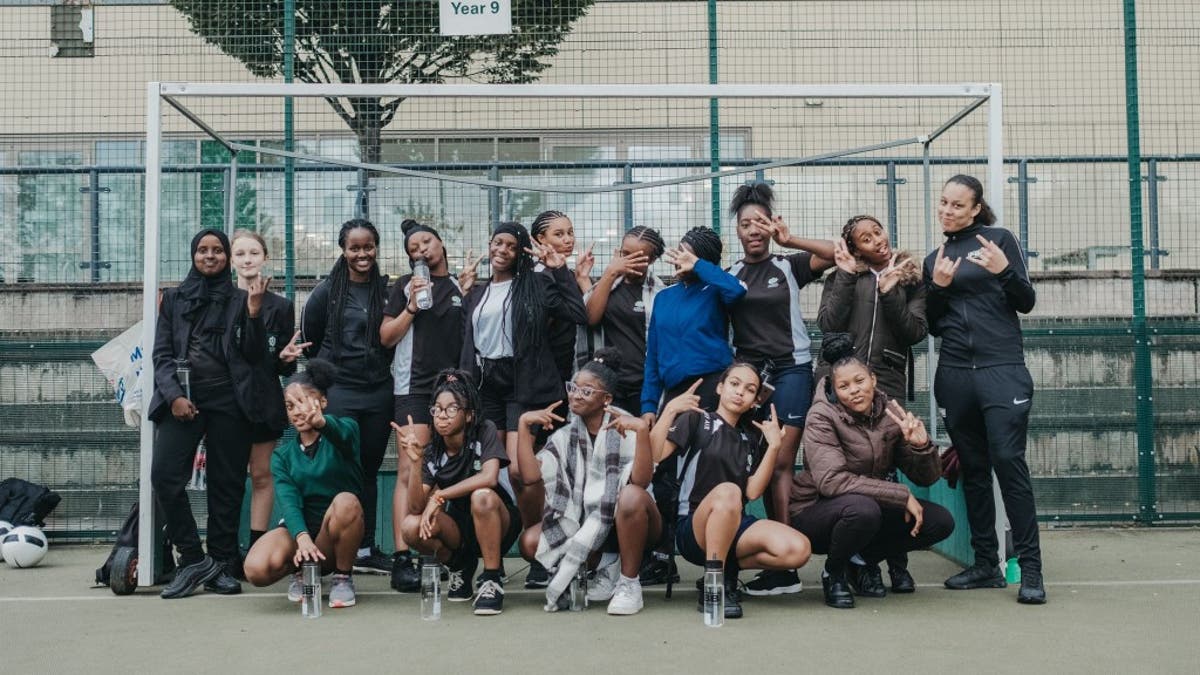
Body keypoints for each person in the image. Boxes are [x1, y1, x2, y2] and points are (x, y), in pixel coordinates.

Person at [923, 174, 1045, 604]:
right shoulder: (934, 258)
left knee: (1009, 462)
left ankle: (1031, 570)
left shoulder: (998, 241)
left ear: (976, 208)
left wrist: (1005, 272)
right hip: (955, 376)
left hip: (1002, 370)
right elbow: (932, 324)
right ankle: (985, 565)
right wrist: (936, 287)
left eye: (958, 205)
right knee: (973, 468)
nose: (948, 211)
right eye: (943, 203)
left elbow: (1026, 301)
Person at [458, 221, 587, 589]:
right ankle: (496, 543)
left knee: (520, 470)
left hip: (524, 381)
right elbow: (470, 337)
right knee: (492, 465)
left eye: (511, 246)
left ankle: (537, 543)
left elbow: (578, 314)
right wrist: (465, 294)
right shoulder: (480, 291)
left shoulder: (535, 283)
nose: (502, 250)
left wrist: (560, 270)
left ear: (520, 254)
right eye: (497, 242)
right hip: (487, 384)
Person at [725, 183, 834, 596]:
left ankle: (786, 563)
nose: (753, 229)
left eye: (761, 222)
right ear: (737, 231)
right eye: (745, 223)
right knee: (752, 465)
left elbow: (836, 251)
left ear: (771, 226)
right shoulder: (731, 273)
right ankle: (765, 548)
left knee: (782, 461)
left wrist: (791, 239)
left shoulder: (789, 266)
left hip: (791, 371)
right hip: (749, 379)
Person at [789, 334, 953, 609]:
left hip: (868, 508)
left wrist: (922, 446)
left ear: (873, 380)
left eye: (859, 381)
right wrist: (900, 494)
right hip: (815, 510)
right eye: (843, 386)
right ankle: (834, 572)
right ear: (833, 388)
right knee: (863, 509)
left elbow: (927, 477)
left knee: (939, 521)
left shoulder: (889, 412)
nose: (853, 390)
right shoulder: (821, 416)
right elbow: (831, 482)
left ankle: (861, 560)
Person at [148, 228, 269, 599]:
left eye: (218, 250)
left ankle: (219, 563)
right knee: (165, 476)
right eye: (203, 250)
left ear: (227, 257)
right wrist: (173, 397)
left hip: (229, 401)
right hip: (183, 400)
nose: (210, 256)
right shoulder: (173, 299)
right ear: (193, 255)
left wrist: (252, 313)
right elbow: (162, 354)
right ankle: (192, 558)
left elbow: (252, 354)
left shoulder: (240, 298)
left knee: (227, 485)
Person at [816, 214, 927, 594]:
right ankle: (855, 565)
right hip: (843, 385)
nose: (876, 240)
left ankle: (894, 561)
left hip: (887, 384)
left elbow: (914, 331)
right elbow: (828, 323)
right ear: (855, 248)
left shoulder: (911, 276)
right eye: (865, 238)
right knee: (849, 469)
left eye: (877, 231)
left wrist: (891, 291)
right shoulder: (842, 275)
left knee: (886, 468)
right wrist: (846, 277)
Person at [650, 364, 812, 619]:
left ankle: (723, 570)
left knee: (798, 549)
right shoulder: (697, 419)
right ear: (720, 387)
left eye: (749, 390)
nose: (740, 393)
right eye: (734, 384)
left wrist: (773, 447)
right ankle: (716, 585)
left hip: (734, 523)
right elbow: (655, 454)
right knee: (728, 492)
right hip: (692, 527)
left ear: (754, 400)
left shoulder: (749, 437)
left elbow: (754, 491)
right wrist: (670, 410)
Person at [513, 349, 659, 615]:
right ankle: (606, 564)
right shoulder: (565, 436)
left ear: (607, 399)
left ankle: (629, 583)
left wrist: (641, 431)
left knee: (630, 496)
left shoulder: (626, 427)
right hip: (586, 525)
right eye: (573, 388)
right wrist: (523, 427)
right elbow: (531, 476)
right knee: (531, 542)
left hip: (632, 522)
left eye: (586, 391)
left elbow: (640, 480)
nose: (576, 395)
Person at [301, 218, 394, 574]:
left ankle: (366, 549)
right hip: (341, 391)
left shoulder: (386, 290)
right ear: (343, 250)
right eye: (354, 248)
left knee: (368, 470)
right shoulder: (328, 291)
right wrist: (325, 383)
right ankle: (329, 542)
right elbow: (310, 336)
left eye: (368, 246)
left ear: (376, 248)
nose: (362, 254)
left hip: (377, 390)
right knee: (339, 467)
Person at [380, 219, 465, 592]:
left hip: (452, 389)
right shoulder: (403, 287)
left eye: (426, 242)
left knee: (445, 474)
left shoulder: (462, 286)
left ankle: (435, 551)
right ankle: (403, 557)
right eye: (413, 248)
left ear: (441, 243)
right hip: (412, 387)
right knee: (410, 469)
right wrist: (411, 306)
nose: (421, 250)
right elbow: (385, 337)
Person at [395, 370, 519, 616]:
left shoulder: (485, 430)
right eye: (437, 409)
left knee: (481, 496)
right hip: (460, 527)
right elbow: (417, 508)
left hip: (496, 518)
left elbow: (489, 477)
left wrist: (440, 496)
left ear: (469, 414)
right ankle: (460, 566)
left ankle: (491, 579)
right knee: (410, 526)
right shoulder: (433, 449)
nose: (442, 416)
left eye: (452, 409)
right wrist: (416, 464)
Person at [242, 359, 364, 609]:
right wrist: (302, 538)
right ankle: (301, 573)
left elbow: (342, 435)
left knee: (346, 502)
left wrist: (321, 423)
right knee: (255, 568)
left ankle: (342, 578)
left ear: (322, 402)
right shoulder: (282, 455)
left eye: (304, 401)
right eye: (290, 405)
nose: (297, 411)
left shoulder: (346, 430)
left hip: (333, 535)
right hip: (301, 536)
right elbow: (289, 502)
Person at [230, 230, 308, 558]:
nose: (247, 259)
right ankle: (225, 551)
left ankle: (255, 544)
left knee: (262, 474)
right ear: (232, 260)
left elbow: (280, 368)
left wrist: (286, 359)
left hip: (264, 403)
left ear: (265, 257)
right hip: (228, 402)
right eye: (240, 254)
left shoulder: (282, 306)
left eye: (253, 253)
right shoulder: (223, 301)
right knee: (229, 476)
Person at [584, 226, 666, 415]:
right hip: (609, 383)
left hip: (644, 386)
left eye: (637, 256)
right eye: (625, 253)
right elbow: (590, 318)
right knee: (612, 440)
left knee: (641, 440)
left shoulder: (660, 293)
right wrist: (610, 273)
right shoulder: (609, 285)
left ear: (651, 260)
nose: (628, 260)